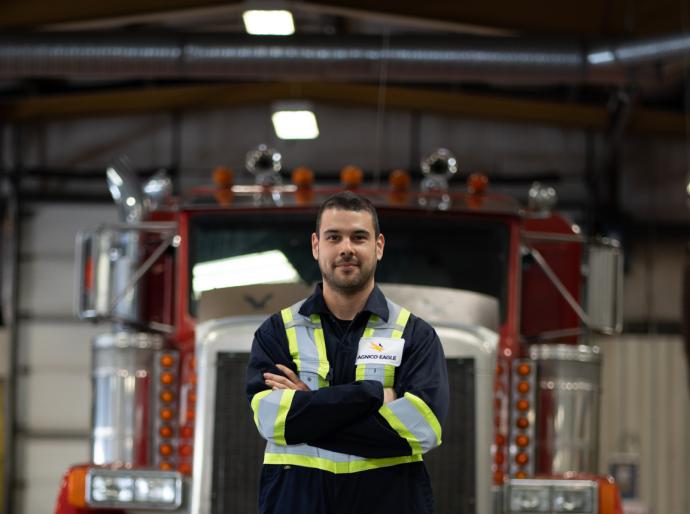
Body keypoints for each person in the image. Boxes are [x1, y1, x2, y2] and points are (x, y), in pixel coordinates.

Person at [246, 191, 449, 514]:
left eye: (358, 237)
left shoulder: (415, 335)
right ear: (316, 246)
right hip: (297, 502)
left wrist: (309, 407)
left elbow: (424, 428)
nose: (346, 248)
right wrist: (372, 394)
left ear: (378, 246)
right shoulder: (277, 331)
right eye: (334, 237)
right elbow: (274, 421)